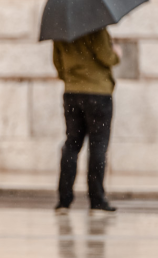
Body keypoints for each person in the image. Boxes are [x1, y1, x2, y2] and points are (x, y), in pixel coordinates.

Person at [52, 27, 121, 214]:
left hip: (72, 93)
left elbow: (58, 65)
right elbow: (106, 57)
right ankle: (97, 200)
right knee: (98, 146)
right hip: (98, 93)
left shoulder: (61, 30)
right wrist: (116, 53)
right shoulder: (97, 29)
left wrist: (73, 78)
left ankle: (64, 201)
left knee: (72, 143)